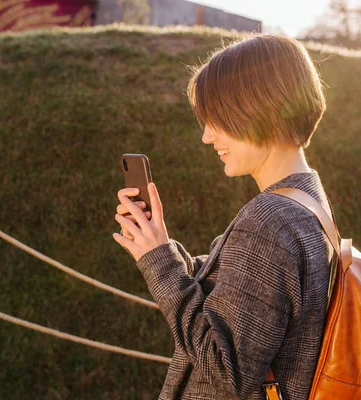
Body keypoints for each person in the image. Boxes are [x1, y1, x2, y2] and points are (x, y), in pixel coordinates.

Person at [112, 33, 337, 400]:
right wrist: (161, 247)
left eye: (217, 118)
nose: (206, 136)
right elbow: (237, 294)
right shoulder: (309, 203)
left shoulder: (270, 220)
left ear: (260, 106)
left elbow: (225, 372)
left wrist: (160, 265)